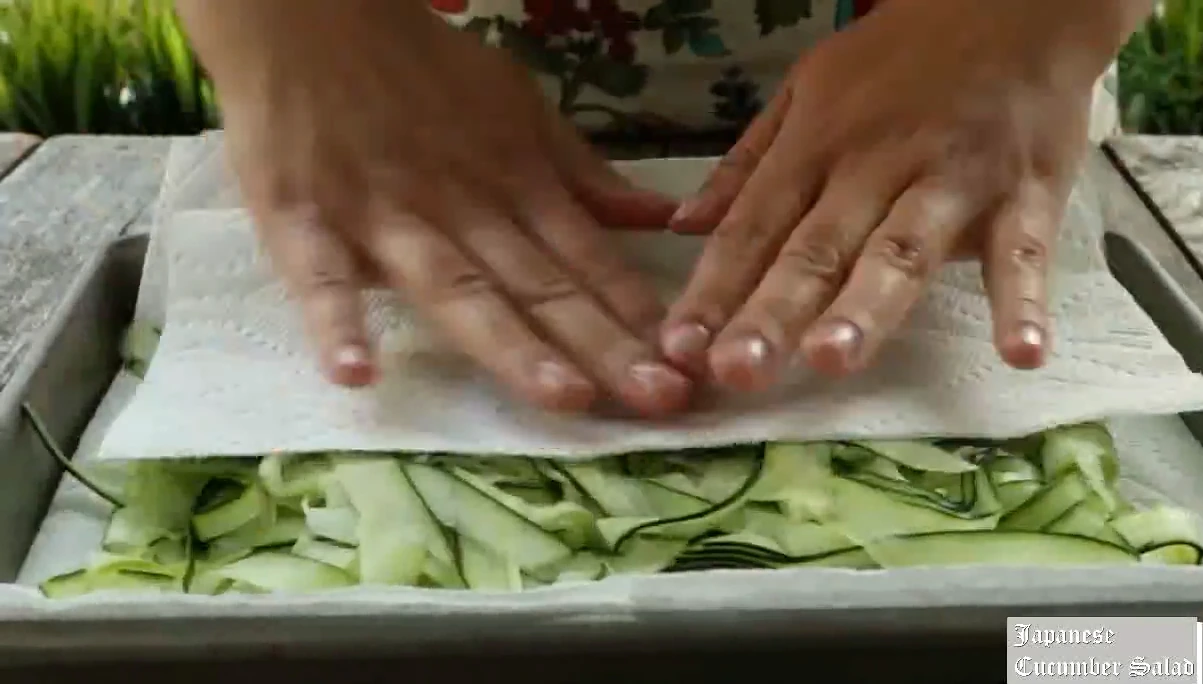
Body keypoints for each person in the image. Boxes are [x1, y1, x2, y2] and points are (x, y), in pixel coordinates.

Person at [175, 0, 1154, 419]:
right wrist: (285, 31)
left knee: (1123, 661)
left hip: (963, 148)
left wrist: (1034, 24)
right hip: (381, 143)